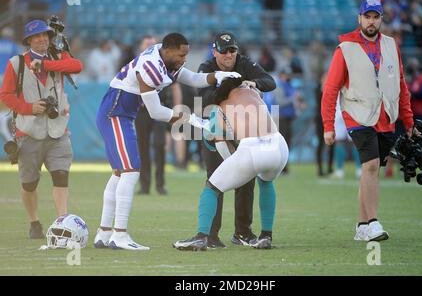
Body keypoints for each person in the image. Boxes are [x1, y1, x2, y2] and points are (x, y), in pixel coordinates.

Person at [93, 32, 241, 250]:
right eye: (181, 55)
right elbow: (155, 111)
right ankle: (120, 234)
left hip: (121, 114)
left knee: (119, 173)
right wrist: (193, 119)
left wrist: (216, 76)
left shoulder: (166, 56)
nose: (184, 59)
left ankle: (104, 233)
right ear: (169, 51)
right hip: (115, 114)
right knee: (131, 171)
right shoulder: (151, 66)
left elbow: (191, 78)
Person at [321, 0, 414, 242]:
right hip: (357, 115)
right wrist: (328, 126)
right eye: (367, 16)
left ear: (381, 19)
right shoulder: (346, 48)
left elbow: (401, 84)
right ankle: (373, 223)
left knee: (369, 170)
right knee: (371, 166)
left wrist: (408, 119)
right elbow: (330, 89)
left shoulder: (391, 45)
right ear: (359, 19)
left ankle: (362, 226)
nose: (371, 21)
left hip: (386, 117)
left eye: (375, 17)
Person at [173, 77, 289, 251]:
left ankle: (201, 237)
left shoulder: (219, 108)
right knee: (266, 183)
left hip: (252, 148)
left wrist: (234, 166)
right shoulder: (254, 93)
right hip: (279, 145)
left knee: (211, 187)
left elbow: (219, 142)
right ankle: (266, 236)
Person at [0, 19, 83, 239]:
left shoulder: (58, 56)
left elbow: (77, 66)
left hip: (58, 130)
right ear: (28, 41)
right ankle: (34, 221)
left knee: (61, 175)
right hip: (28, 131)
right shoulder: (15, 63)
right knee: (29, 184)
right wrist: (29, 108)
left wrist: (46, 64)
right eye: (37, 37)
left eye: (45, 35)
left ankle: (62, 223)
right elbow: (5, 96)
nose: (42, 40)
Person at [197, 32, 276, 248]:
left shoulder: (244, 63)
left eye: (232, 50)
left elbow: (270, 82)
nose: (228, 55)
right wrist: (229, 86)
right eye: (223, 51)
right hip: (215, 131)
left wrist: (253, 82)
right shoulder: (206, 68)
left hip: (242, 131)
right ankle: (211, 235)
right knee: (215, 179)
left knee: (246, 178)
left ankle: (242, 232)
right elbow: (204, 100)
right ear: (215, 52)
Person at [133, 35, 177, 195]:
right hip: (142, 111)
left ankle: (160, 184)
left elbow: (174, 86)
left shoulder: (165, 64)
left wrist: (177, 106)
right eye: (147, 44)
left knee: (159, 146)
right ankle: (144, 185)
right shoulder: (136, 65)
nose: (151, 46)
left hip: (160, 109)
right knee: (142, 148)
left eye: (153, 44)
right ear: (141, 47)